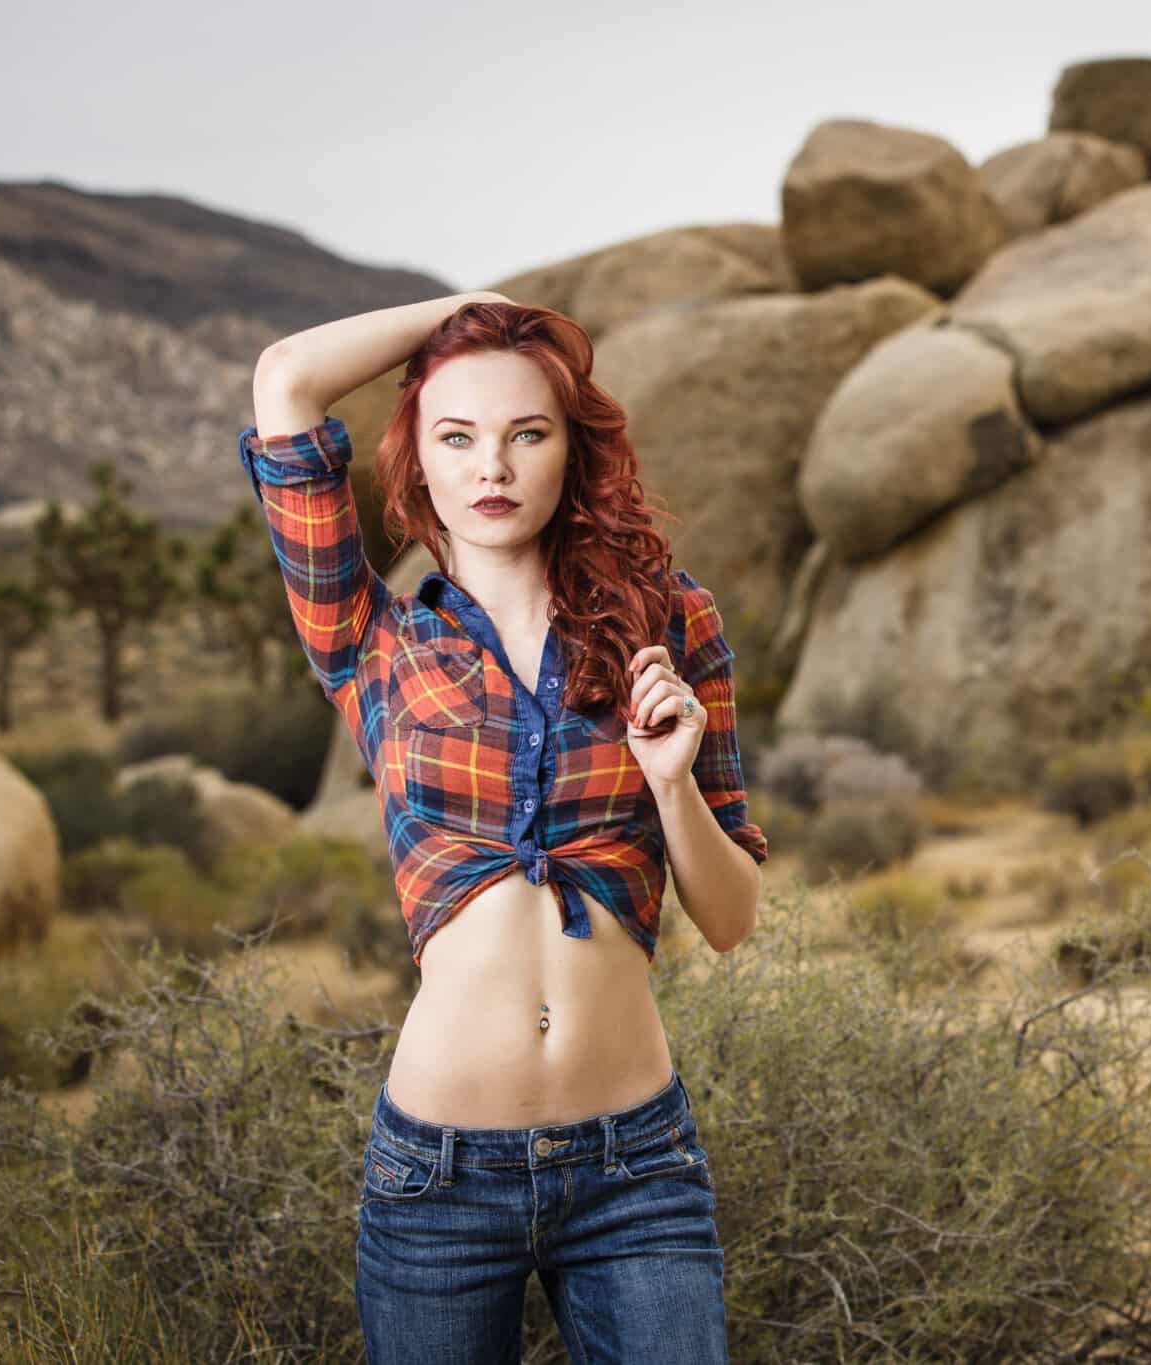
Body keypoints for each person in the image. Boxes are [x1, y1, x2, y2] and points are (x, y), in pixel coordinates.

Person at [238, 291, 768, 1364]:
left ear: (572, 452)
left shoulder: (670, 622)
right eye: (456, 437)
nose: (492, 466)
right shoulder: (368, 640)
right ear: (416, 465)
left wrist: (670, 781)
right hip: (437, 1179)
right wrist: (483, 310)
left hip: (637, 1170)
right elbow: (287, 378)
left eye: (527, 433)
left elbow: (729, 919)